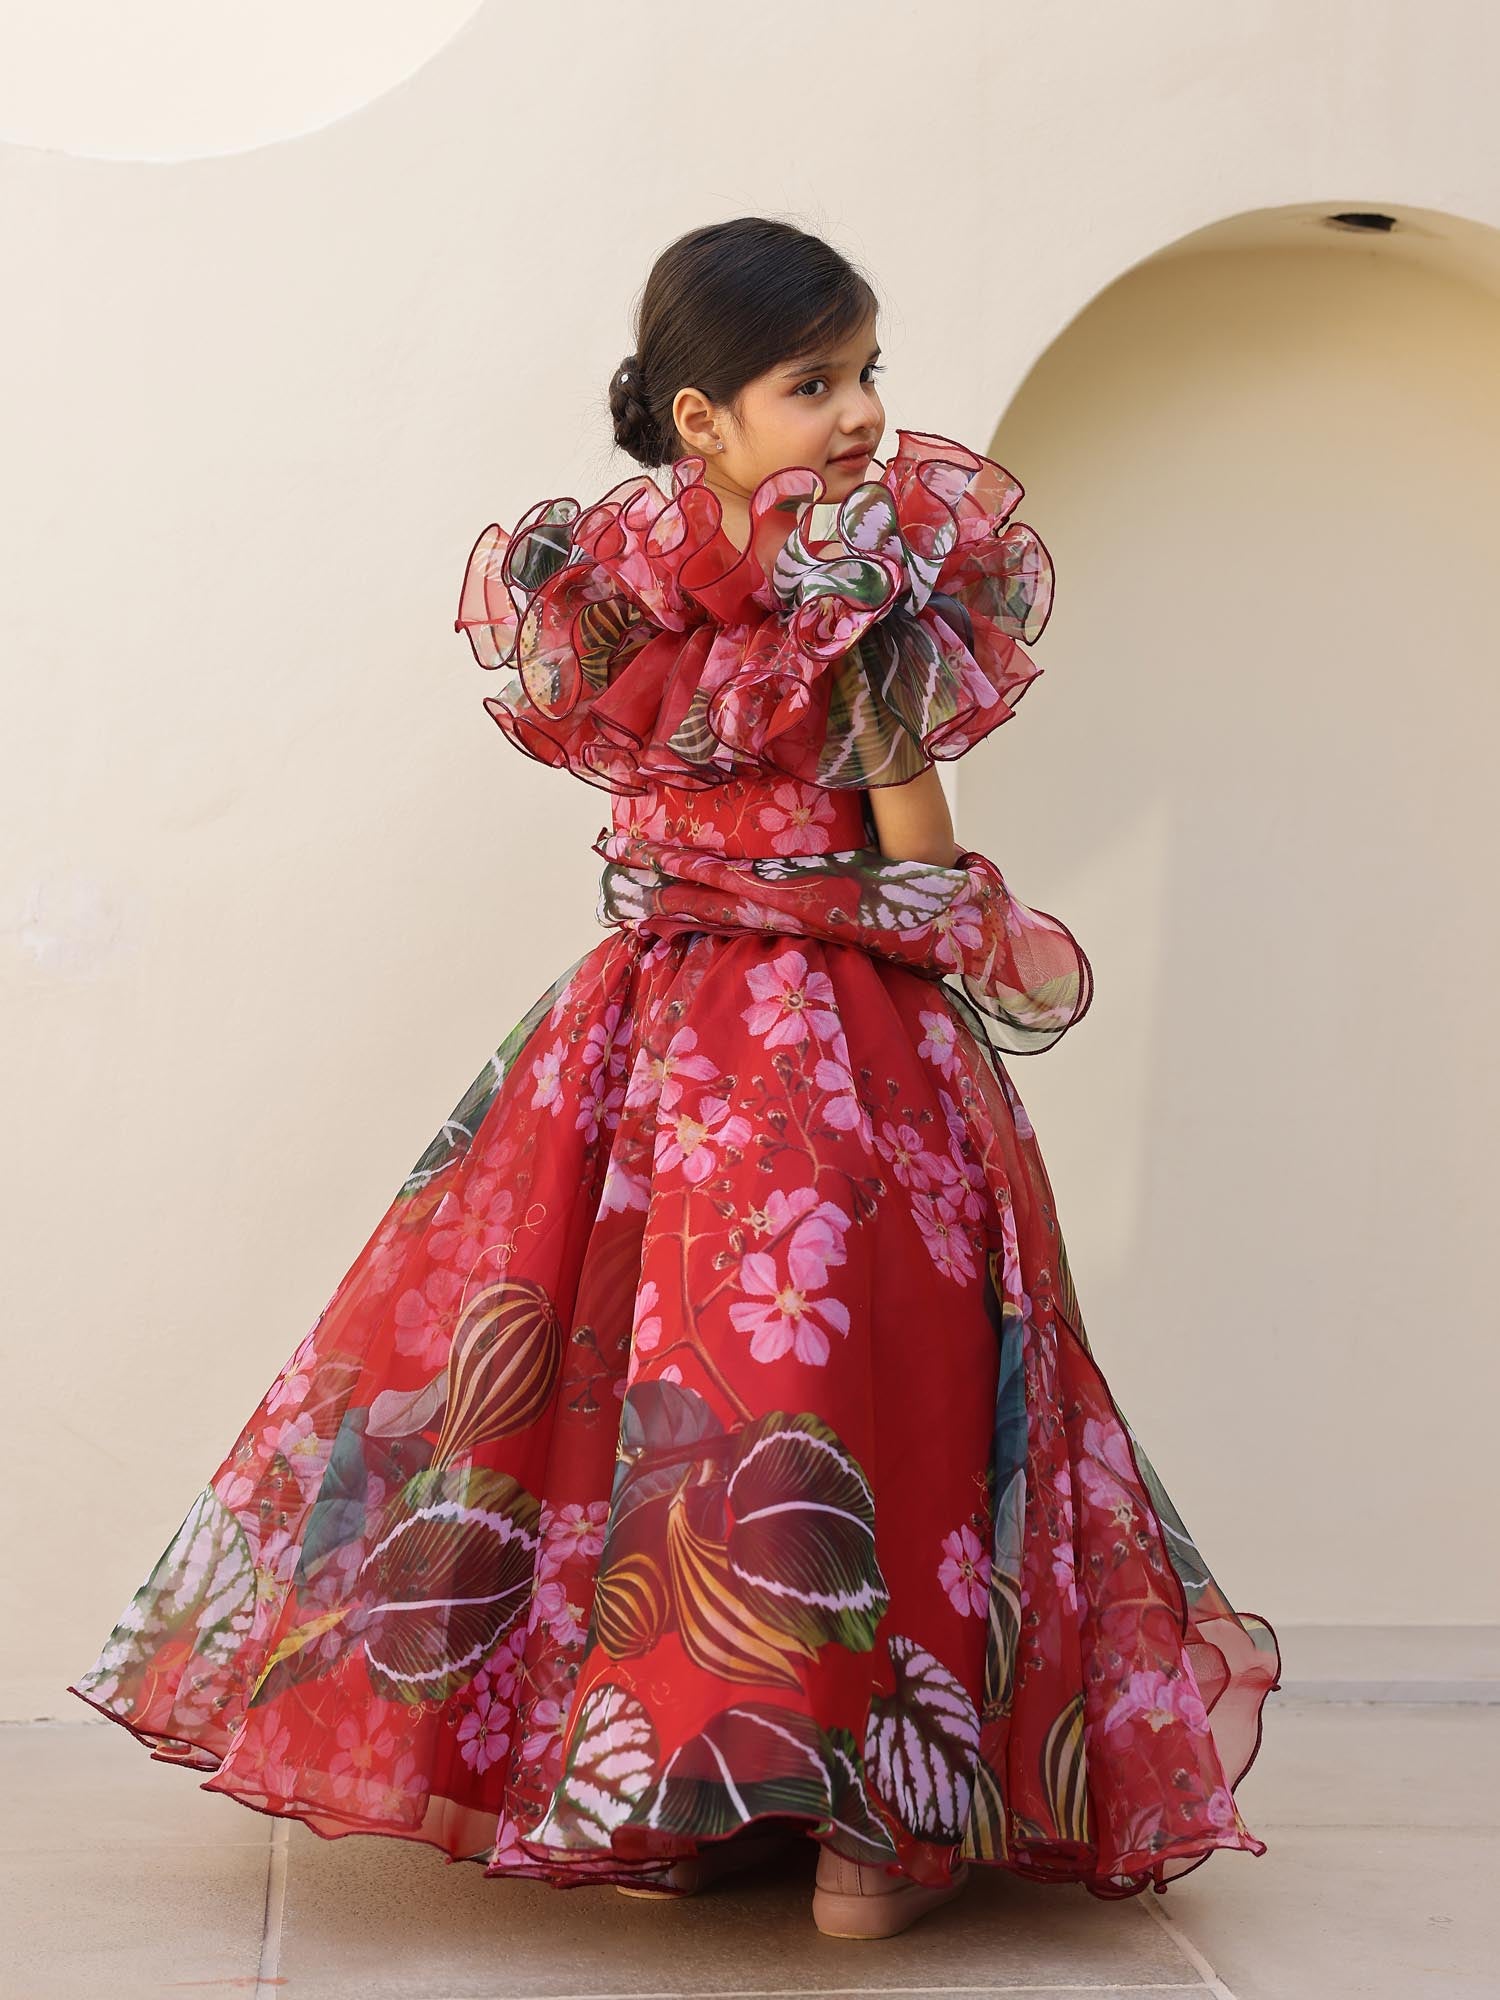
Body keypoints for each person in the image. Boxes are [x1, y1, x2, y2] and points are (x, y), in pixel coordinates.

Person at [66, 216, 1279, 1944]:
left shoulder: (613, 598)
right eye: (816, 383)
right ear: (702, 417)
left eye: (868, 373)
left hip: (648, 1044)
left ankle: (692, 1788)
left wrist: (719, 883)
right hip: (837, 1059)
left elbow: (653, 822)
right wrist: (964, 921)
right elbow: (914, 860)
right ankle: (866, 1825)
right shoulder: (854, 605)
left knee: (664, 1391)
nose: (861, 413)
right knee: (842, 1384)